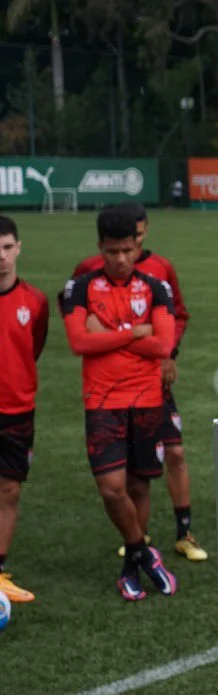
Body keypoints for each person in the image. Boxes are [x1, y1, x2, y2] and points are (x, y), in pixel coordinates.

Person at [74, 203, 206, 564]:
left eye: (138, 234)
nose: (125, 251)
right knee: (127, 475)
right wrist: (130, 335)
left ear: (143, 232)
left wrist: (168, 355)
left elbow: (177, 315)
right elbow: (78, 323)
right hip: (114, 384)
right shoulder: (88, 274)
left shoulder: (160, 271)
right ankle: (139, 540)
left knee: (175, 453)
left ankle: (184, 533)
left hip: (155, 379)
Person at [61, 208, 178, 601]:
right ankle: (144, 552)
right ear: (100, 248)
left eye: (128, 250)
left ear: (137, 245)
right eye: (112, 252)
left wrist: (109, 333)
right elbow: (79, 343)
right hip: (103, 402)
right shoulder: (78, 289)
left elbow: (163, 345)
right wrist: (135, 332)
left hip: (147, 399)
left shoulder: (156, 288)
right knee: (112, 488)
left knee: (139, 485)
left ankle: (132, 564)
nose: (121, 259)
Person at [0, 216, 48, 605]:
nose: (0, 257)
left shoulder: (34, 301)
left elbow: (33, 347)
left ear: (18, 248)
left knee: (10, 489)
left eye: (6, 247)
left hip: (17, 410)